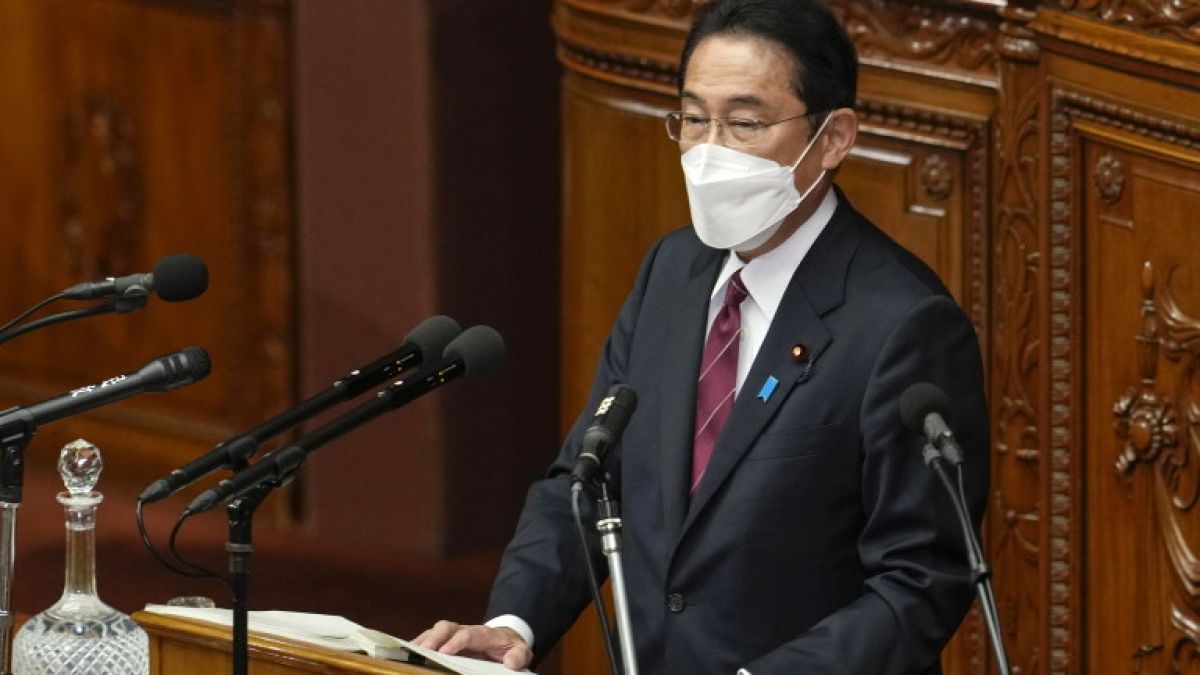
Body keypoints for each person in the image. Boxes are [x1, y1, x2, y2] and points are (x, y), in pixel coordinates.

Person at [414, 0, 989, 672]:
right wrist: (515, 623)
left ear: (833, 137)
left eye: (744, 124)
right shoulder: (672, 271)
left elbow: (920, 581)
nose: (710, 152)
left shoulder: (903, 323)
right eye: (693, 119)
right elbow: (588, 479)